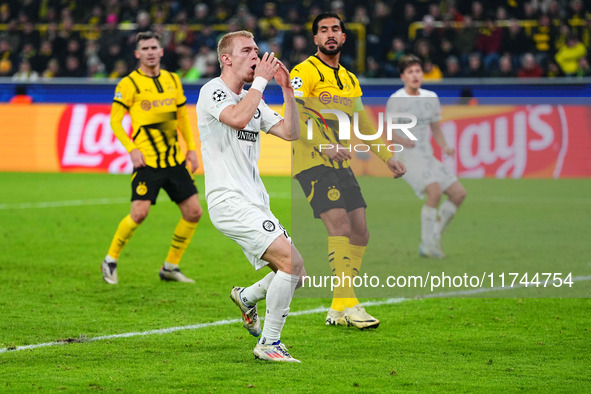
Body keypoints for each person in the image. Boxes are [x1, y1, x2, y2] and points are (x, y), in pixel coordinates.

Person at [289, 12, 406, 330]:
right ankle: (350, 303)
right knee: (339, 227)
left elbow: (364, 124)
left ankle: (338, 307)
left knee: (360, 231)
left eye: (335, 29)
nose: (330, 34)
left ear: (343, 37)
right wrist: (321, 145)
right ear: (315, 39)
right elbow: (295, 117)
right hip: (312, 162)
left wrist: (387, 157)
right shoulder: (304, 72)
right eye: (323, 30)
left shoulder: (350, 80)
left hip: (340, 162)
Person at [196, 31, 304, 362]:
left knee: (296, 274)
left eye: (257, 50)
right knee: (292, 262)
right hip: (228, 201)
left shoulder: (253, 100)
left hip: (255, 202)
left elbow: (290, 132)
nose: (256, 56)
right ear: (226, 58)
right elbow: (237, 117)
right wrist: (260, 83)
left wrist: (287, 91)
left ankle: (246, 297)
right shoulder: (213, 91)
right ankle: (269, 344)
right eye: (247, 50)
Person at [101, 31, 203, 284]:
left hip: (174, 161)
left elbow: (181, 117)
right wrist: (131, 148)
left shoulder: (173, 80)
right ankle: (110, 260)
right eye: (144, 48)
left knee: (193, 212)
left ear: (161, 51)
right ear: (137, 54)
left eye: (153, 47)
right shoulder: (129, 84)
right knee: (139, 213)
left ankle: (170, 267)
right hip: (147, 161)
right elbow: (114, 121)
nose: (149, 52)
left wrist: (191, 148)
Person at [387, 55, 466, 258]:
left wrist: (446, 147)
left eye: (418, 71)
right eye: (411, 72)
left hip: (427, 156)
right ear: (403, 76)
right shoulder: (397, 100)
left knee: (458, 194)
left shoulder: (430, 97)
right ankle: (427, 244)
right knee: (435, 192)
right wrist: (403, 141)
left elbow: (436, 129)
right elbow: (389, 132)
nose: (415, 75)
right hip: (406, 157)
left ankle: (435, 236)